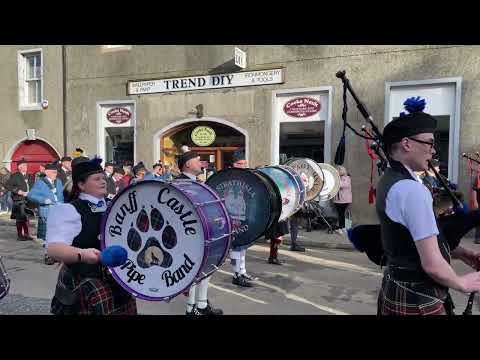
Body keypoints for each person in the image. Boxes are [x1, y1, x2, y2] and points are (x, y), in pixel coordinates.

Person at [376, 99, 480, 315]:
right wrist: (463, 283)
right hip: (418, 297)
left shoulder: (390, 180)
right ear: (407, 143)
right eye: (430, 143)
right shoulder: (411, 190)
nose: (433, 151)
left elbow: (412, 239)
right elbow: (432, 264)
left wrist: (461, 253)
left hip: (398, 287)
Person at [46, 157, 137, 315]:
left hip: (118, 282)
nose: (103, 181)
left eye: (103, 178)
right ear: (81, 185)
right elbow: (53, 249)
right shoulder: (68, 210)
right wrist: (82, 254)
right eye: (96, 179)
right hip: (85, 281)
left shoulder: (114, 206)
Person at [176, 149, 223, 315]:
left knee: (206, 269)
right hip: (188, 236)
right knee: (194, 272)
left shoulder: (195, 182)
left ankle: (201, 305)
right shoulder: (179, 184)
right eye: (198, 160)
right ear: (188, 164)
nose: (201, 163)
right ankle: (191, 309)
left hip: (202, 233)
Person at [229, 150, 257, 287]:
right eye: (240, 163)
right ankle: (236, 275)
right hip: (233, 216)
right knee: (236, 246)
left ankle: (242, 271)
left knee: (243, 246)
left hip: (244, 214)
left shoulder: (247, 176)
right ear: (233, 164)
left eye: (245, 163)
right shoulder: (228, 177)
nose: (243, 166)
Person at [27, 163, 64, 265]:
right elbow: (31, 195)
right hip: (47, 211)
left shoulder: (59, 182)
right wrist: (43, 200)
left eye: (56, 172)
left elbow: (61, 196)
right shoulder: (40, 182)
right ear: (46, 172)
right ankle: (48, 256)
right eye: (53, 172)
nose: (55, 174)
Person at [6, 159, 35, 241]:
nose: (26, 167)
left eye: (26, 165)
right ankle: (20, 235)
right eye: (24, 165)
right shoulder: (15, 176)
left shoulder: (29, 176)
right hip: (18, 200)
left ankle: (26, 234)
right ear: (19, 167)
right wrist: (18, 191)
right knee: (19, 218)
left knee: (26, 218)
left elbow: (33, 186)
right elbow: (8, 185)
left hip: (28, 200)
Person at [333, 165, 352, 235]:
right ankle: (341, 228)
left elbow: (342, 185)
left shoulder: (347, 178)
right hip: (338, 200)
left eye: (338, 170)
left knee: (341, 214)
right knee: (340, 214)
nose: (337, 172)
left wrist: (336, 179)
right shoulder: (339, 178)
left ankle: (342, 228)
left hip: (344, 200)